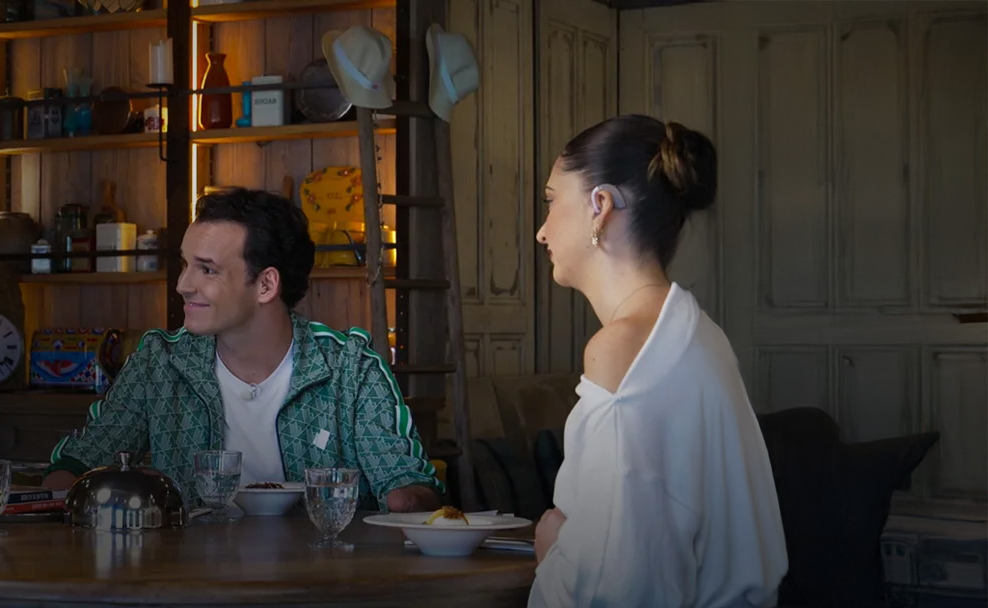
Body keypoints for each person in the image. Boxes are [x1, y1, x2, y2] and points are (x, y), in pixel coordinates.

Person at [42, 188, 442, 513]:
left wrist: (408, 498)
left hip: (325, 576)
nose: (183, 285)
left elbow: (407, 488)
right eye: (185, 265)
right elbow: (81, 462)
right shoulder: (159, 362)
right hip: (186, 576)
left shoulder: (351, 369)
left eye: (207, 269)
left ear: (266, 285)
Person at [529, 115, 787, 606]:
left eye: (552, 199)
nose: (542, 232)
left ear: (600, 206)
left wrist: (554, 548)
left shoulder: (621, 350)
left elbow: (620, 590)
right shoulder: (700, 333)